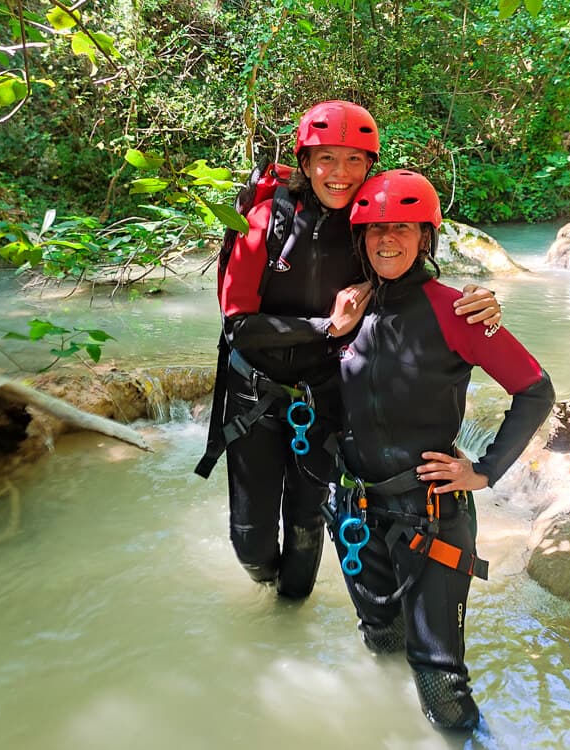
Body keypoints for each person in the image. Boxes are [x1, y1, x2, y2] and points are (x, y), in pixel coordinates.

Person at [209, 101, 503, 600]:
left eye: (353, 160)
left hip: (326, 398)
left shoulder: (372, 222)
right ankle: (267, 583)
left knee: (306, 521)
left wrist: (478, 303)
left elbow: (415, 285)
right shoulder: (265, 220)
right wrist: (327, 326)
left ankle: (289, 618)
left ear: (370, 165)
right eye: (326, 159)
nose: (339, 173)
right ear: (304, 163)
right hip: (254, 394)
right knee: (251, 541)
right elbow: (238, 327)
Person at [326, 169, 555, 731]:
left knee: (441, 684)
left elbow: (534, 389)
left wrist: (485, 470)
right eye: (376, 229)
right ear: (359, 239)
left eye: (402, 228)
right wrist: (332, 334)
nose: (387, 240)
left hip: (428, 513)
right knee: (380, 637)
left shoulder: (460, 311)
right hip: (353, 507)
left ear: (425, 237)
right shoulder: (348, 309)